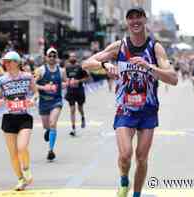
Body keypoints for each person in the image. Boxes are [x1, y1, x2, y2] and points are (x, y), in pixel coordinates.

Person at [82, 7, 178, 197]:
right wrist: (104, 65)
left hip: (148, 110)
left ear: (144, 20)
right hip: (125, 109)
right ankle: (124, 180)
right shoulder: (119, 46)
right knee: (125, 155)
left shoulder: (155, 47)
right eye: (131, 18)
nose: (135, 21)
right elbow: (86, 63)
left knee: (141, 158)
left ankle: (136, 194)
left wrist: (149, 67)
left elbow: (173, 78)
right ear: (127, 22)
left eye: (138, 17)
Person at [0, 51, 38, 191]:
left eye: (8, 61)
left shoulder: (27, 77)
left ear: (16, 63)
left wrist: (32, 100)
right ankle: (20, 179)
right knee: (13, 153)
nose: (5, 64)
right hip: (9, 118)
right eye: (5, 62)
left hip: (24, 117)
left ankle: (26, 169)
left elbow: (36, 93)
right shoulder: (2, 80)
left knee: (22, 147)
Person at [35, 48, 67, 161]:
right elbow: (32, 84)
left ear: (56, 57)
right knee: (46, 126)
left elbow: (65, 81)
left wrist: (64, 84)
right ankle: (48, 131)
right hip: (44, 101)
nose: (52, 58)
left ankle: (51, 150)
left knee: (53, 123)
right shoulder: (40, 70)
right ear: (46, 57)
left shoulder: (62, 71)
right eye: (50, 56)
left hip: (56, 101)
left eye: (54, 56)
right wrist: (44, 87)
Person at [65, 52, 90, 136]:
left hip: (79, 91)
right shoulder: (67, 68)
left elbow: (87, 77)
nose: (72, 58)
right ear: (69, 58)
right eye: (71, 56)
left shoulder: (80, 67)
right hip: (70, 91)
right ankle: (73, 128)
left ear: (76, 58)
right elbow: (65, 78)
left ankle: (82, 117)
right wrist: (67, 81)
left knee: (80, 108)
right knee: (72, 110)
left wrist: (78, 81)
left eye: (73, 56)